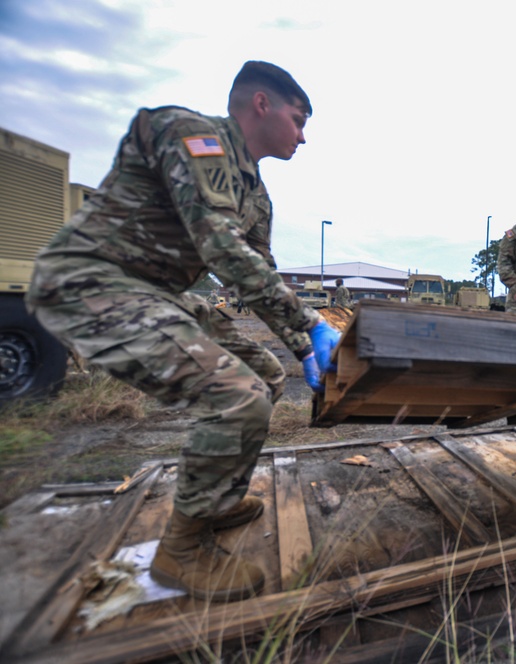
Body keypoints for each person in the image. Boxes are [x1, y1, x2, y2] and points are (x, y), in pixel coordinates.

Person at [26, 61, 342, 603]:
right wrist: (310, 322)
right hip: (90, 282)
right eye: (299, 118)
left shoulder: (256, 195)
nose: (304, 135)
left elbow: (253, 267)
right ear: (261, 104)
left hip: (157, 295)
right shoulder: (189, 133)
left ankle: (214, 500)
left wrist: (300, 351)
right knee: (235, 395)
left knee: (264, 375)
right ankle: (181, 551)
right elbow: (221, 245)